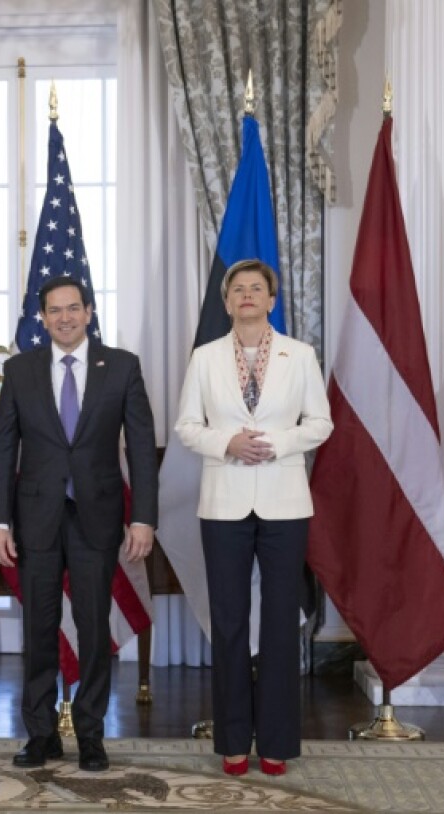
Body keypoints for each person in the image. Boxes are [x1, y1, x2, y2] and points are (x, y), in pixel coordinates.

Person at [0, 276, 158, 772]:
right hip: (35, 517)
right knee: (39, 627)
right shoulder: (21, 370)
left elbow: (142, 447)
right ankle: (40, 735)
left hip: (97, 518)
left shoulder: (121, 366)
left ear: (88, 311)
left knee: (92, 626)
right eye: (54, 310)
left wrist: (143, 517)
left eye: (73, 308)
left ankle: (91, 734)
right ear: (42, 317)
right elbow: (3, 448)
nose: (64, 317)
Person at [174, 258, 332, 777]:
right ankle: (233, 740)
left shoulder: (299, 355)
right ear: (226, 302)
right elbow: (187, 427)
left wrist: (275, 444)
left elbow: (321, 423)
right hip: (223, 502)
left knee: (281, 621)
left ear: (271, 299)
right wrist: (228, 443)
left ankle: (278, 743)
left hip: (285, 501)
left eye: (256, 288)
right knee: (229, 621)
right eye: (237, 289)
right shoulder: (205, 357)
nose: (246, 295)